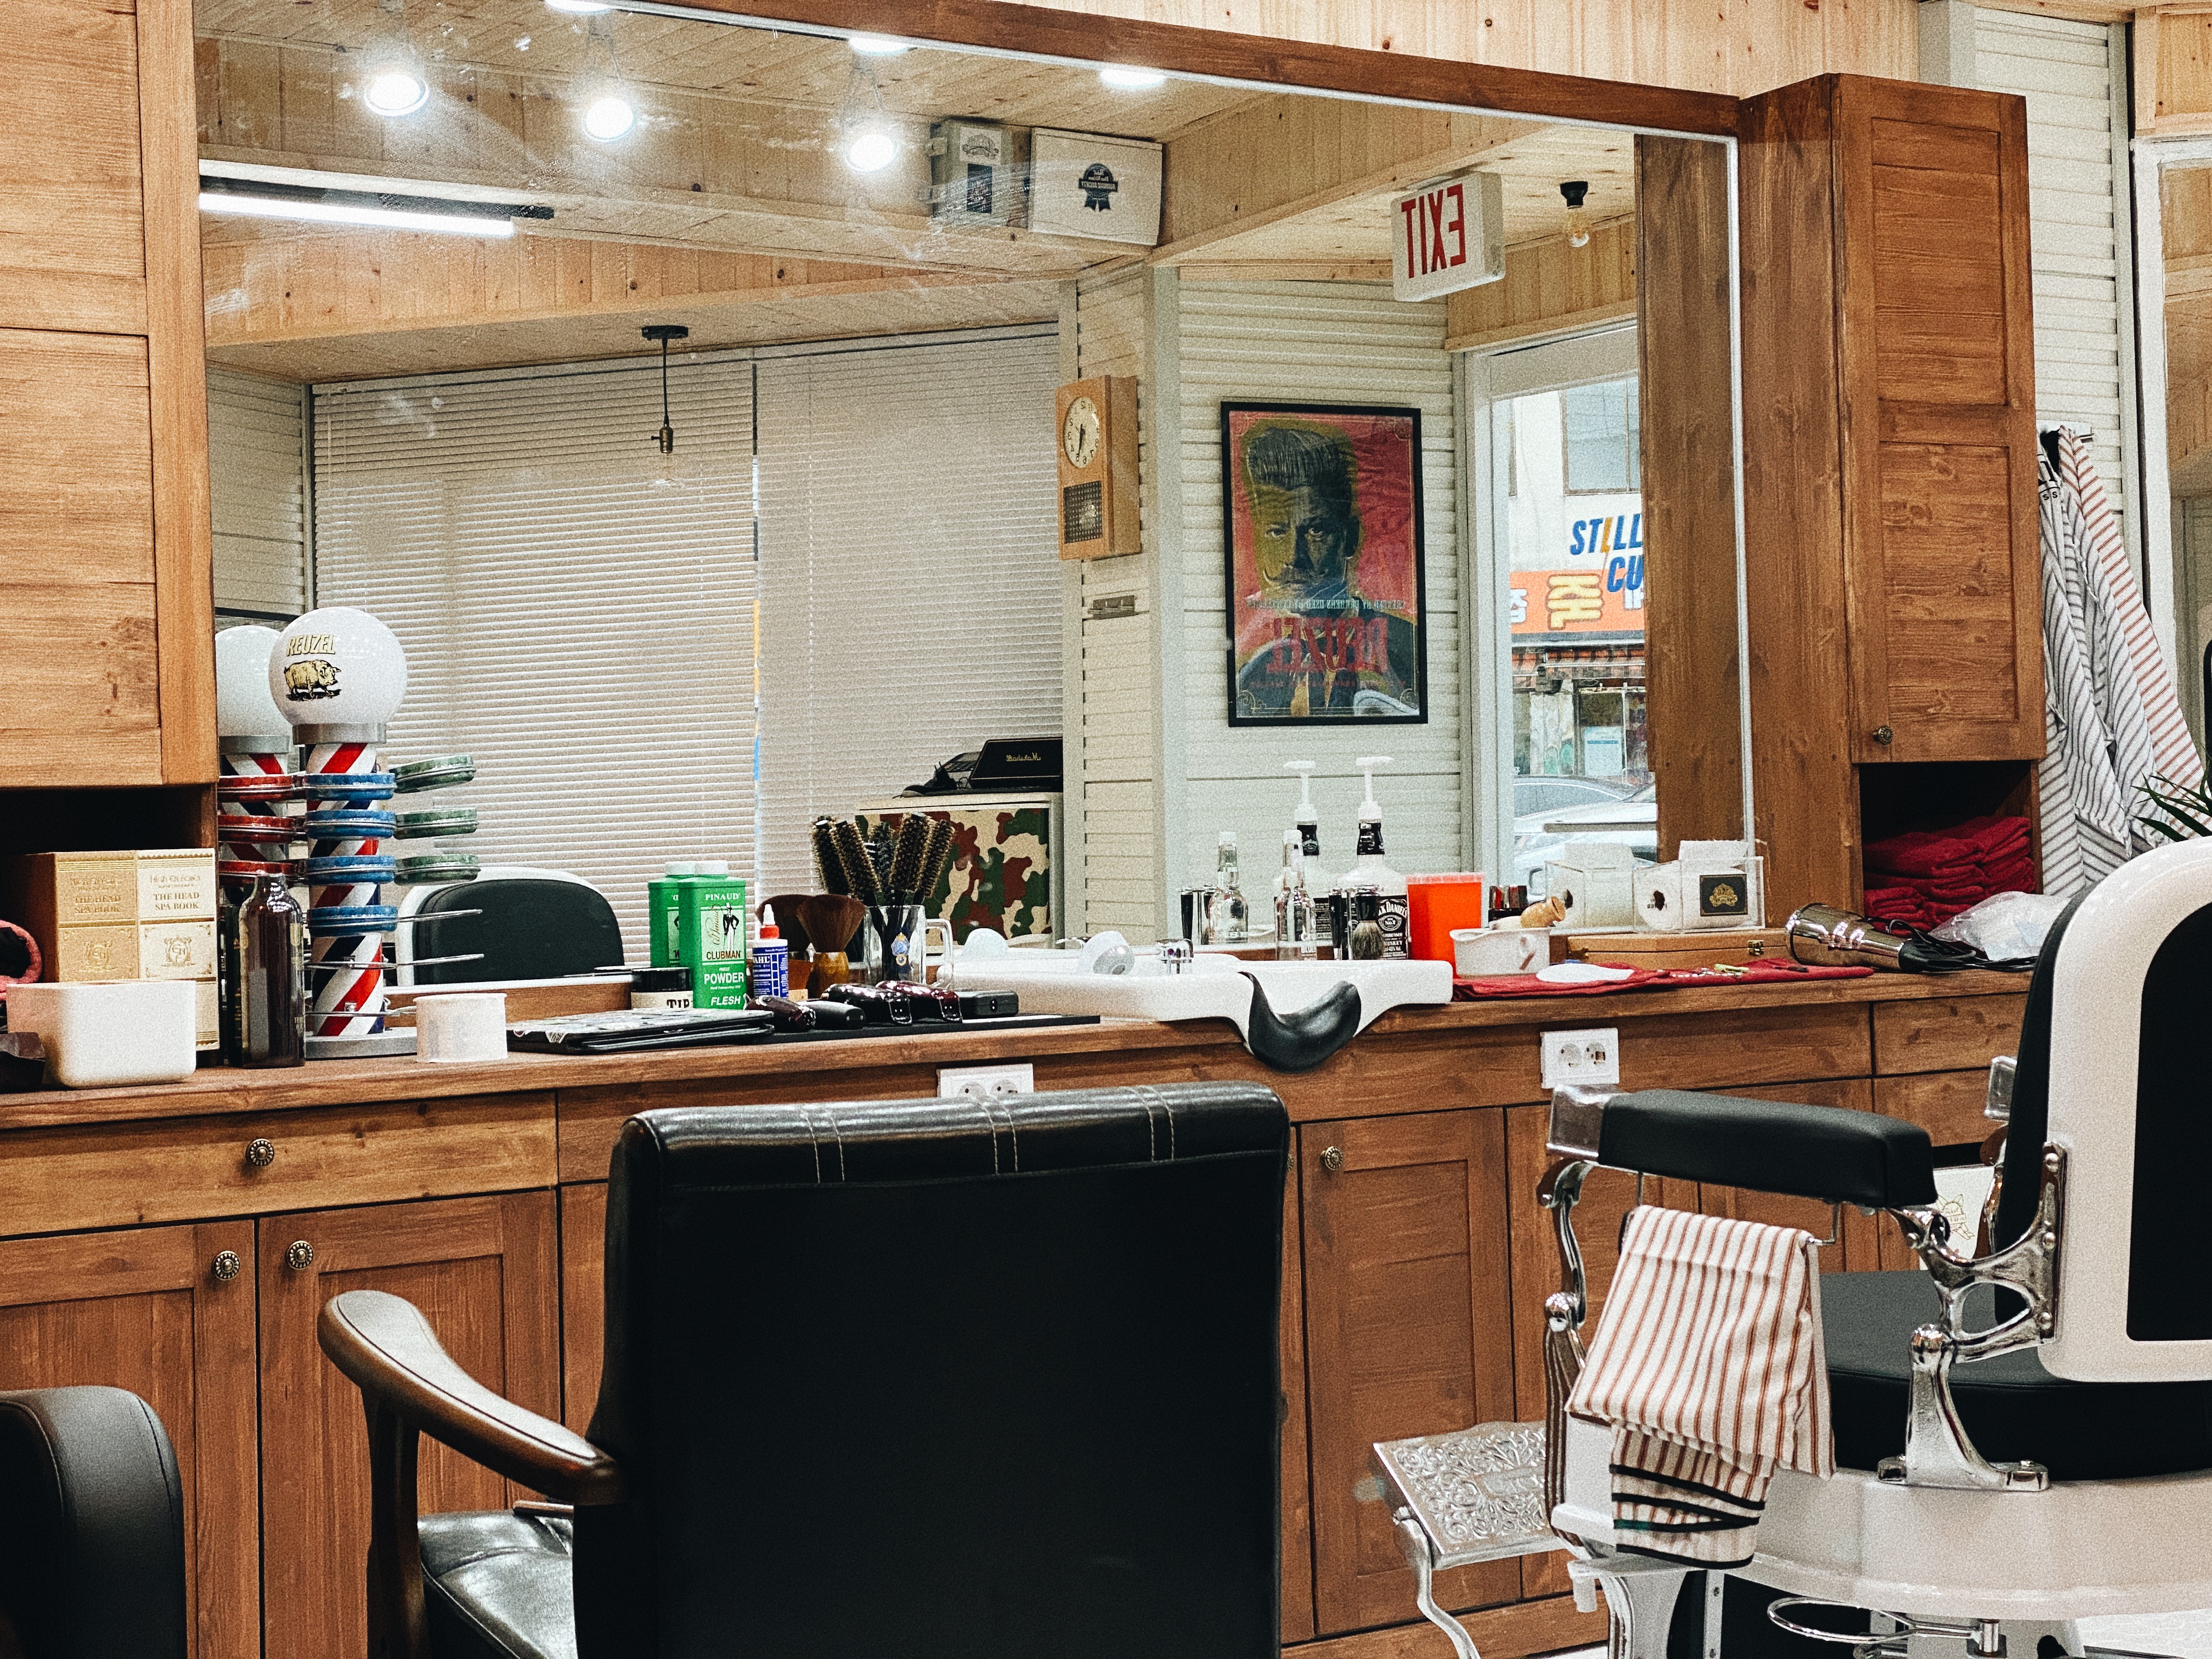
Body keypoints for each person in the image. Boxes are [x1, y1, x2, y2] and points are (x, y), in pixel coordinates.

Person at [1234, 421, 1418, 718]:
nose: (1294, 558)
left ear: (1350, 537)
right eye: (1276, 532)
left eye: (1316, 531)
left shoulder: (1407, 648)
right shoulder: (1251, 674)